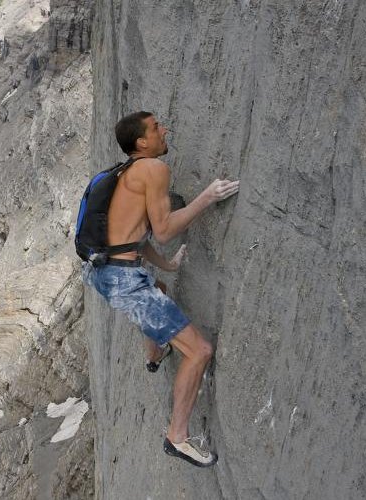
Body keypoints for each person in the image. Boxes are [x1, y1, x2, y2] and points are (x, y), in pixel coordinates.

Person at [82, 111, 239, 467]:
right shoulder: (154, 169)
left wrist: (166, 265)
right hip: (123, 280)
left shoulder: (124, 174)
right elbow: (164, 230)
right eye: (156, 128)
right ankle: (177, 437)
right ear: (142, 142)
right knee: (198, 350)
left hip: (104, 271)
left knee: (160, 290)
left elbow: (130, 236)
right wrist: (208, 197)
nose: (165, 130)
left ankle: (154, 357)